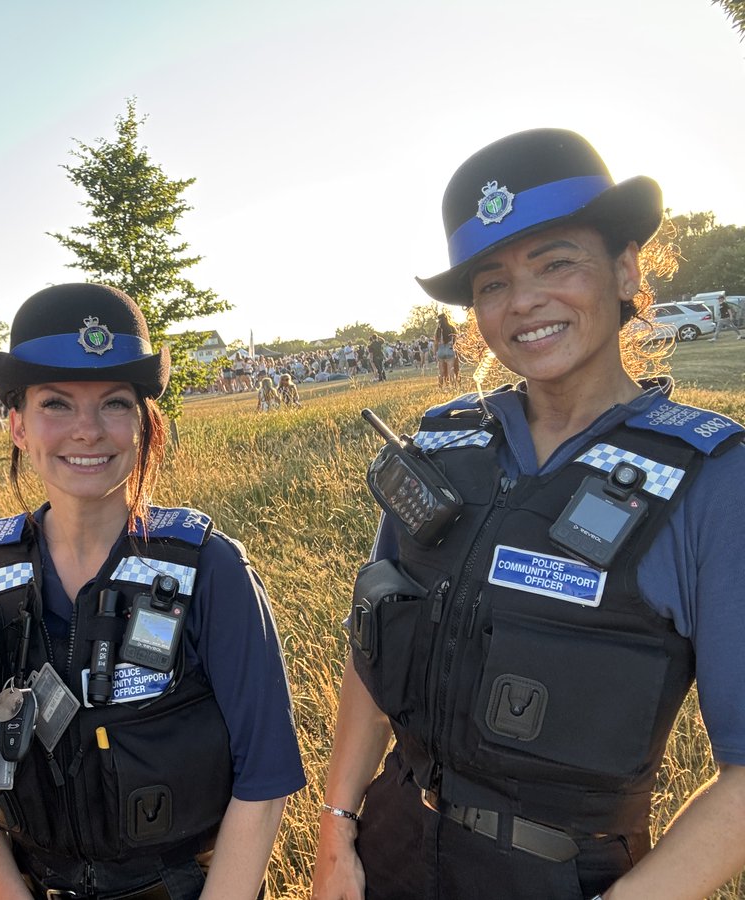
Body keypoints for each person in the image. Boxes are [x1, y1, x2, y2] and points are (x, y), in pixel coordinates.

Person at [312, 128, 745, 900]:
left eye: (555, 262)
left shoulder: (711, 481)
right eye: (492, 283)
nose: (524, 303)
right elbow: (372, 644)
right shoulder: (442, 449)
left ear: (624, 267)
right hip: (390, 853)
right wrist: (337, 826)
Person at [0, 283, 305, 900]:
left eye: (114, 404)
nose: (88, 431)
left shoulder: (210, 569)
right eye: (56, 404)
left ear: (144, 424)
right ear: (18, 426)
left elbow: (264, 779)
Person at [434, 311, 460, 388]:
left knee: (441, 372)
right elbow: (455, 339)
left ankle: (440, 387)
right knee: (451, 370)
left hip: (441, 350)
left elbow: (436, 342)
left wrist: (435, 353)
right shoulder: (451, 328)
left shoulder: (438, 330)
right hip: (449, 349)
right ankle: (454, 386)